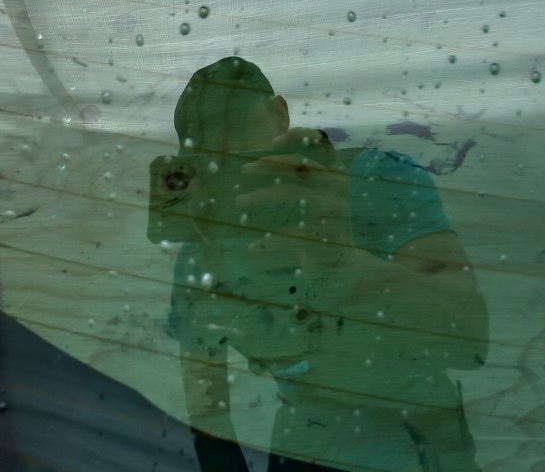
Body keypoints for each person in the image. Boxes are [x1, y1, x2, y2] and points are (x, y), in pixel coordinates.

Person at [157, 57, 488, 472]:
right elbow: (207, 407)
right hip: (336, 442)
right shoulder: (206, 250)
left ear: (281, 114)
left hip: (408, 441)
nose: (230, 154)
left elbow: (469, 339)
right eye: (210, 151)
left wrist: (347, 266)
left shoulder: (375, 182)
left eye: (238, 128)